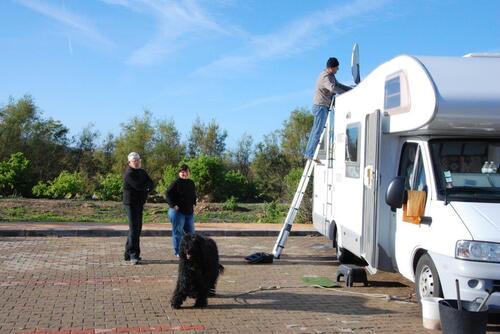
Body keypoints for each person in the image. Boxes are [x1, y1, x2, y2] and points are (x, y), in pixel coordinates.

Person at [304, 57, 352, 163]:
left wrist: (351, 90)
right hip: (320, 106)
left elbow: (338, 85)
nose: (337, 70)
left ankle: (309, 153)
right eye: (336, 68)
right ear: (331, 67)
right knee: (317, 131)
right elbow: (333, 88)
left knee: (317, 130)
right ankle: (309, 154)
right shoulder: (325, 77)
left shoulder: (331, 76)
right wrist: (345, 94)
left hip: (323, 106)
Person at [123, 152, 154, 265]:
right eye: (134, 160)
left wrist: (147, 188)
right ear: (129, 162)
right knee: (134, 229)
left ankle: (127, 253)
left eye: (138, 160)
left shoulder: (142, 171)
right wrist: (146, 188)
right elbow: (138, 186)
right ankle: (133, 255)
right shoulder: (129, 173)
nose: (137, 162)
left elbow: (151, 183)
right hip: (130, 204)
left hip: (139, 204)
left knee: (136, 228)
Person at [166, 164, 197, 257]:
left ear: (189, 173)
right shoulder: (176, 183)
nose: (184, 173)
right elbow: (168, 194)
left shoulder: (191, 183)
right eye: (182, 172)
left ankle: (190, 251)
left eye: (186, 171)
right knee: (178, 232)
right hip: (177, 213)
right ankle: (178, 252)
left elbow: (193, 194)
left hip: (189, 212)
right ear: (179, 173)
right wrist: (173, 205)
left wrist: (194, 203)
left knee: (191, 233)